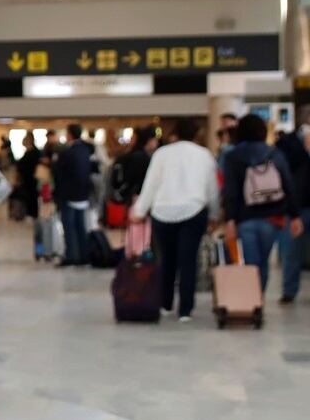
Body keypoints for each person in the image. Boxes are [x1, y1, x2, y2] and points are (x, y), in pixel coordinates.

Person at [130, 118, 219, 321]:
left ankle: (165, 303)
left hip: (163, 212)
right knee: (188, 261)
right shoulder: (204, 155)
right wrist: (213, 215)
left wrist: (140, 210)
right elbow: (212, 188)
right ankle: (185, 310)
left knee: (166, 260)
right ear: (196, 135)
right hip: (194, 210)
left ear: (174, 134)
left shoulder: (161, 154)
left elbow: (151, 184)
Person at [222, 113, 304, 292]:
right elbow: (288, 185)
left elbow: (231, 192)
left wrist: (229, 219)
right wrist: (295, 215)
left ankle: (254, 302)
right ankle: (258, 299)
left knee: (252, 263)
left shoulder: (233, 157)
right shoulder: (274, 153)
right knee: (263, 262)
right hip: (272, 217)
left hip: (245, 218)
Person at [274, 107, 310, 303]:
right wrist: (304, 150)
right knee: (292, 250)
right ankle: (289, 291)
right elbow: (281, 167)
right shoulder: (288, 142)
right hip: (296, 205)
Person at [52, 123, 95, 266]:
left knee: (69, 227)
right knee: (81, 226)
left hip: (68, 195)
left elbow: (59, 173)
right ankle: (83, 255)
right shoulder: (85, 151)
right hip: (82, 194)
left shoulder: (68, 153)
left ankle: (71, 256)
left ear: (70, 134)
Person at [13, 132, 42, 220]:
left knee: (32, 196)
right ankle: (29, 213)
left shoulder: (34, 152)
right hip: (27, 179)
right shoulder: (30, 152)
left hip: (32, 179)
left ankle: (32, 213)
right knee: (28, 196)